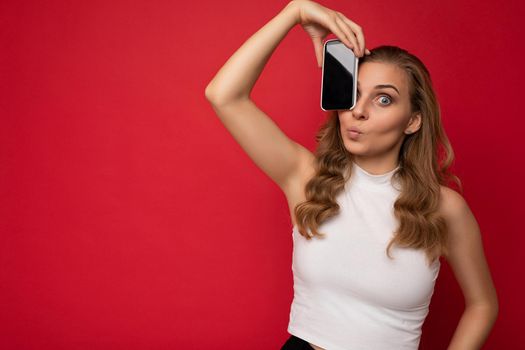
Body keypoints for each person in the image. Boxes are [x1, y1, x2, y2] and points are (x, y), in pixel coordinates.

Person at [204, 0, 499, 349]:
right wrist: (294, 13)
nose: (358, 110)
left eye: (383, 99)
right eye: (353, 93)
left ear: (413, 121)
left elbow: (483, 305)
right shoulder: (306, 177)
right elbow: (224, 96)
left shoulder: (444, 208)